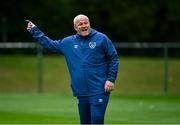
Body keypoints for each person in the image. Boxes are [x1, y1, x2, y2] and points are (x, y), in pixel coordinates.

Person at [26, 14, 119, 124]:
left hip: (99, 89)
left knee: (97, 120)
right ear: (75, 27)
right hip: (81, 91)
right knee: (84, 122)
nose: (84, 25)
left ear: (89, 24)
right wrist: (35, 31)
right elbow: (50, 44)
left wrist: (111, 79)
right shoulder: (68, 42)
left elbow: (113, 58)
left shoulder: (101, 38)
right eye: (80, 24)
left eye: (86, 23)